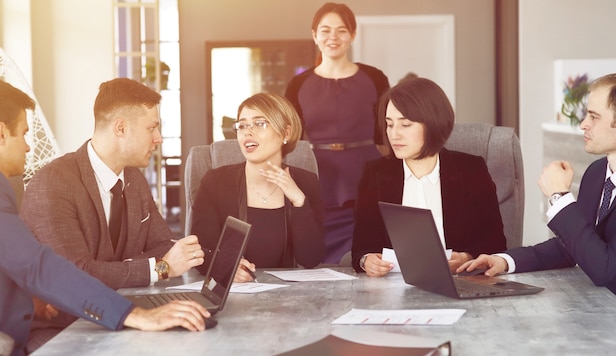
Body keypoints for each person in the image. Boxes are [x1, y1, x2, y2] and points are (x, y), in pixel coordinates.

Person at [0, 80, 211, 356]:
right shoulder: (52, 182)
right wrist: (156, 274)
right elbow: (53, 269)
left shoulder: (133, 179)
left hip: (107, 314)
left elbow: (165, 246)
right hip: (63, 327)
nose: (29, 147)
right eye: (152, 127)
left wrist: (116, 271)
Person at [459, 73, 616, 302]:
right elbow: (574, 246)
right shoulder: (597, 172)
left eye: (594, 117)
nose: (583, 125)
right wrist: (504, 261)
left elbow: (606, 269)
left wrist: (560, 198)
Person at [351, 76, 507, 276]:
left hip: (458, 282)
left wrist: (466, 257)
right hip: (393, 287)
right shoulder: (375, 173)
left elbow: (495, 243)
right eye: (389, 124)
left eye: (405, 125)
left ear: (433, 124)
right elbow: (361, 248)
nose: (394, 134)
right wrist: (367, 261)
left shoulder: (470, 170)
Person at [284, 2, 390, 264]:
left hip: (367, 169)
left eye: (341, 30)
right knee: (321, 257)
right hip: (318, 172)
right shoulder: (298, 83)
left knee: (370, 246)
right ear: (315, 35)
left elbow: (386, 129)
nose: (333, 37)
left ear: (352, 35)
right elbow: (290, 136)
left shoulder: (374, 77)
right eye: (325, 30)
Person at [191, 93, 325, 282]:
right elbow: (201, 250)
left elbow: (311, 259)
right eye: (242, 125)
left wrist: (298, 201)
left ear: (285, 133)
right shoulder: (216, 181)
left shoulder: (306, 183)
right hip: (233, 294)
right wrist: (225, 266)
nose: (247, 132)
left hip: (288, 297)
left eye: (259, 123)